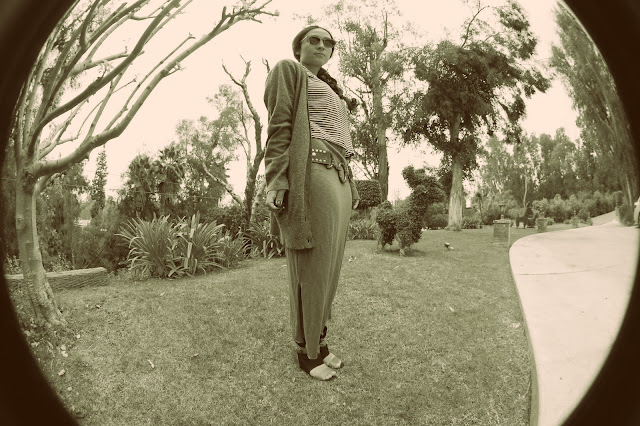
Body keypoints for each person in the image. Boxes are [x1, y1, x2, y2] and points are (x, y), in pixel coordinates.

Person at [263, 25, 359, 381]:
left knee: (330, 268)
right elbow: (279, 127)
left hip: (339, 174)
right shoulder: (289, 70)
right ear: (299, 47)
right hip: (312, 170)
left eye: (327, 42)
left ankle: (320, 341)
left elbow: (340, 139)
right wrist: (277, 179)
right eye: (313, 40)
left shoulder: (332, 88)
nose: (321, 45)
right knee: (312, 267)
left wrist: (350, 181)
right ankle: (306, 353)